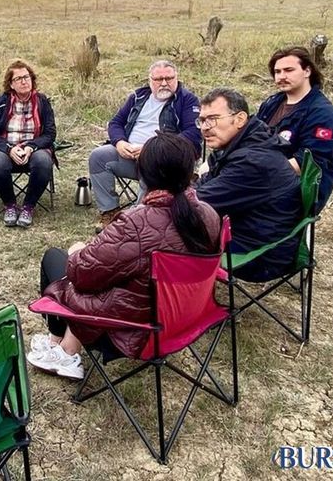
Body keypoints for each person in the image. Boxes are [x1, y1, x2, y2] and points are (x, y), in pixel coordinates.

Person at [27, 133, 220, 380]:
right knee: (123, 270)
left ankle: (61, 348)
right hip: (185, 319)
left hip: (134, 333)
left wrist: (77, 252)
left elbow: (83, 276)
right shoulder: (208, 214)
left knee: (56, 258)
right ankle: (63, 344)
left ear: (143, 174)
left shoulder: (136, 223)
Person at [195, 88, 301, 282]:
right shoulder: (240, 144)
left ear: (240, 119)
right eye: (202, 120)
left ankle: (171, 305)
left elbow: (196, 203)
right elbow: (203, 185)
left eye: (213, 119)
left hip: (260, 254)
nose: (205, 127)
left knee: (166, 232)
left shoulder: (253, 161)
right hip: (246, 232)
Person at [88, 60, 202, 232]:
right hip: (130, 154)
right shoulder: (138, 97)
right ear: (150, 80)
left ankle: (135, 224)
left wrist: (152, 149)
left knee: (151, 173)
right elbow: (115, 123)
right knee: (98, 156)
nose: (164, 83)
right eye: (158, 79)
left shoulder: (187, 100)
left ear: (177, 78)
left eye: (169, 78)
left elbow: (193, 134)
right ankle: (110, 213)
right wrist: (119, 143)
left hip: (163, 160)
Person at [257, 46, 333, 210]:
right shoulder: (272, 103)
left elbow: (307, 164)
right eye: (277, 72)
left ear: (307, 71)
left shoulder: (324, 116)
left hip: (294, 192)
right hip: (260, 176)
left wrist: (254, 172)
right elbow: (251, 136)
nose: (281, 77)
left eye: (289, 70)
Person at [0, 59, 56, 228]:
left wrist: (31, 147)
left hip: (34, 148)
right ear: (11, 84)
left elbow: (50, 133)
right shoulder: (0, 101)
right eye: (19, 79)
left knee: (44, 162)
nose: (24, 81)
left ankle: (28, 207)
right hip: (6, 148)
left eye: (27, 77)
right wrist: (9, 149)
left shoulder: (42, 101)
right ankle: (10, 204)